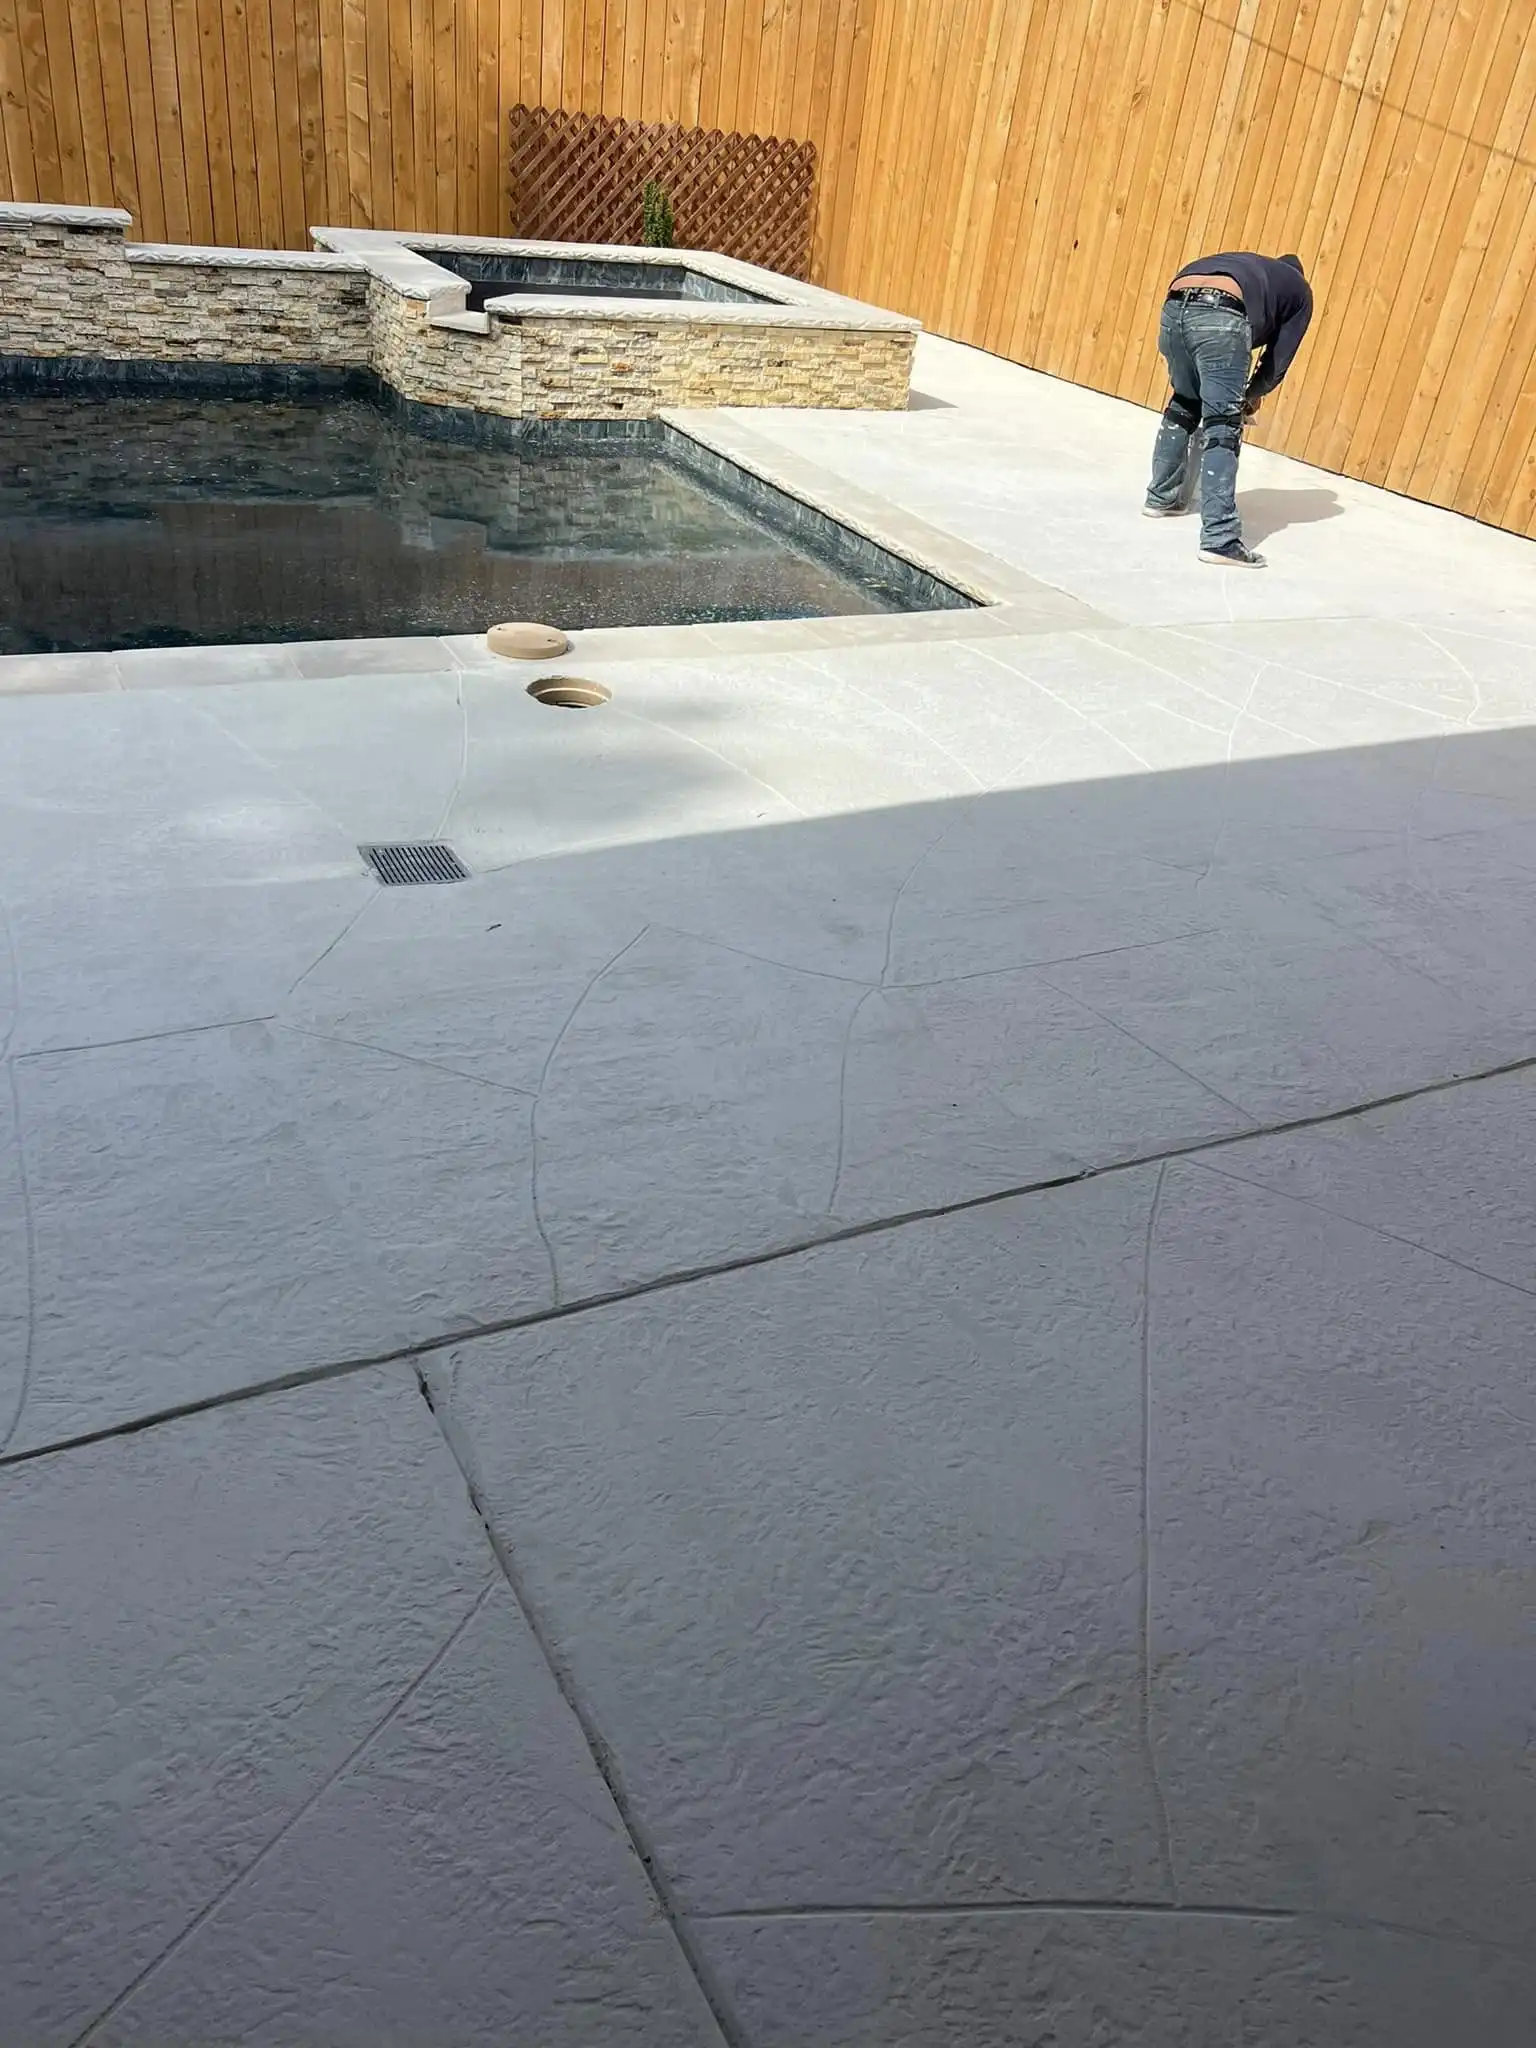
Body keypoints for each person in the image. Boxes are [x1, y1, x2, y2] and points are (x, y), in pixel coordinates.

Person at [1143, 251, 1313, 566]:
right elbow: (1277, 362)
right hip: (1222, 313)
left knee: (1184, 402)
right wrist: (1252, 395)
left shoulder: (1257, 273)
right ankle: (1220, 539)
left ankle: (1161, 498)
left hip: (1175, 304)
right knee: (1223, 422)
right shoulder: (1300, 292)